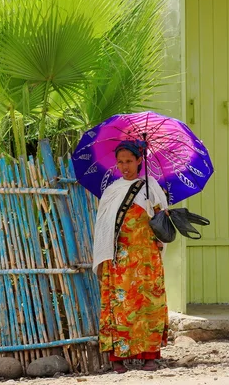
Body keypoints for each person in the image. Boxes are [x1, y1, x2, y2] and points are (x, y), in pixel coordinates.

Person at [92, 140, 170, 373]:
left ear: (139, 161)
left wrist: (154, 209)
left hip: (147, 257)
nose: (124, 166)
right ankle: (117, 359)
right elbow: (104, 226)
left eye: (129, 161)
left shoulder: (152, 187)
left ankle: (150, 356)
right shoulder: (112, 191)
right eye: (120, 162)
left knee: (148, 304)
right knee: (120, 305)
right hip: (119, 259)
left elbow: (163, 222)